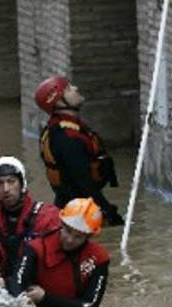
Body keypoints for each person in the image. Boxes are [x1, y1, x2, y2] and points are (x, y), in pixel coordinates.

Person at [7, 198, 111, 307]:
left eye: (78, 236)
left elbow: (89, 305)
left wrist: (45, 298)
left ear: (89, 236)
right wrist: (22, 297)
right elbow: (17, 282)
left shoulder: (99, 257)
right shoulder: (36, 248)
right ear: (61, 223)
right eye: (67, 231)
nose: (69, 239)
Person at [34, 75, 125, 226]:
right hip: (78, 213)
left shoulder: (62, 127)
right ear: (58, 102)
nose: (75, 88)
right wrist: (107, 212)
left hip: (70, 205)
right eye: (69, 89)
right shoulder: (67, 139)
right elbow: (84, 183)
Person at [0, 156, 61, 287]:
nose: (6, 189)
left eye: (11, 182)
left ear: (22, 184)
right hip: (2, 291)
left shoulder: (49, 217)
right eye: (0, 183)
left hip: (41, 291)